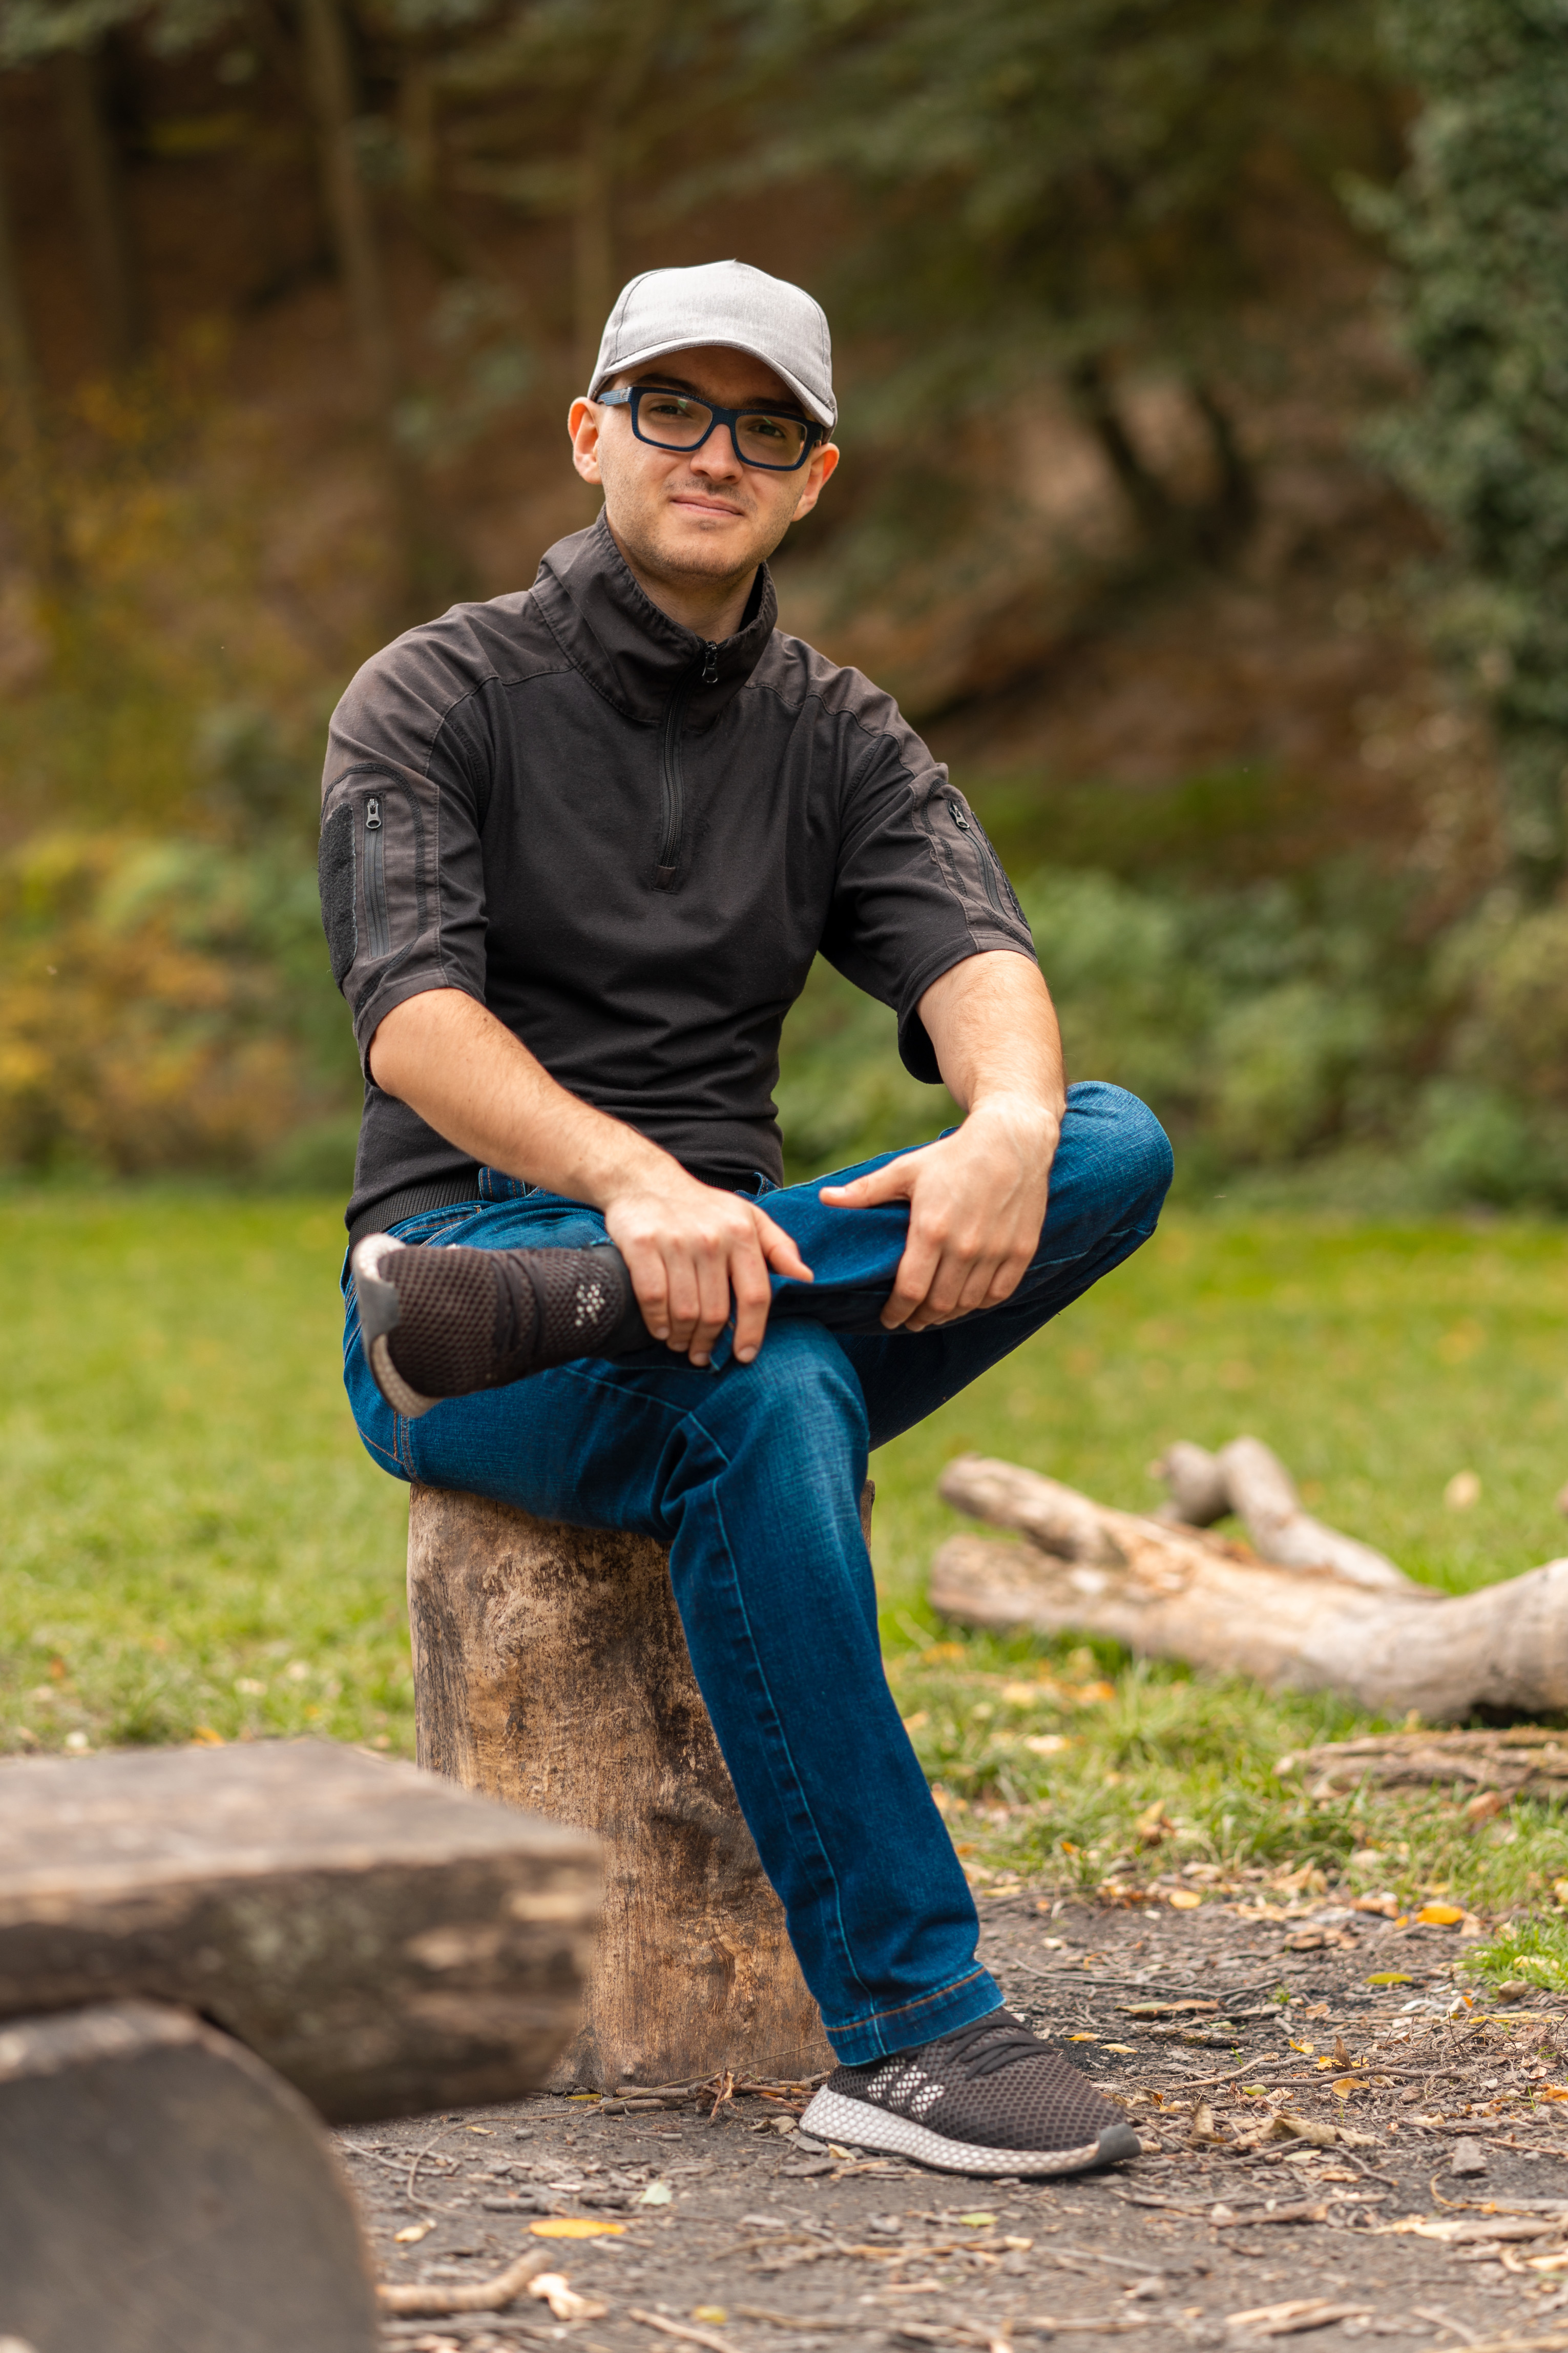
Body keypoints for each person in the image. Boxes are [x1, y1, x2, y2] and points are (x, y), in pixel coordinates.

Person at [322, 259, 1172, 2177]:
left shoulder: (838, 733)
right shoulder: (434, 692)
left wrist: (1008, 1122)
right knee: (773, 1400)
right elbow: (413, 1023)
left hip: (725, 1265)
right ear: (590, 432)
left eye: (763, 425)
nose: (716, 451)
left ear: (815, 477)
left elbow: (980, 963)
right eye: (674, 410)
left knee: (1110, 1136)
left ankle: (659, 1300)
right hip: (462, 1291)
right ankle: (914, 2033)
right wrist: (628, 1190)